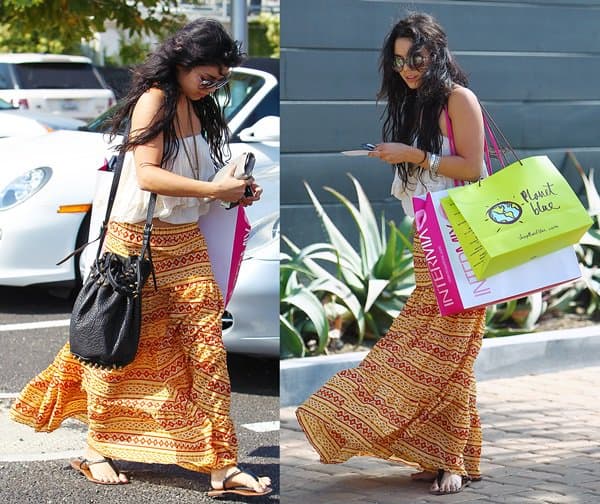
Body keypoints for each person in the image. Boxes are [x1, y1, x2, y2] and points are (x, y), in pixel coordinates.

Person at [10, 18, 271, 498]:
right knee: (118, 347)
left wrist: (231, 191)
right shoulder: (156, 99)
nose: (213, 87)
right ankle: (95, 448)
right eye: (206, 78)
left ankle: (221, 465)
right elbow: (147, 175)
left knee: (206, 350)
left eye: (221, 80)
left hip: (187, 241)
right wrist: (214, 188)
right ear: (181, 63)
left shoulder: (200, 105)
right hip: (138, 242)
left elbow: (193, 179)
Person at [295, 12, 488, 496]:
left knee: (450, 356)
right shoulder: (415, 106)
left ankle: (451, 460)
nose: (407, 68)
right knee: (428, 352)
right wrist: (398, 154)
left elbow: (475, 168)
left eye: (415, 57)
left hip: (464, 245)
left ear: (436, 52)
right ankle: (439, 454)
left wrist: (414, 155)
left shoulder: (457, 99)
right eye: (399, 61)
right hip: (431, 244)